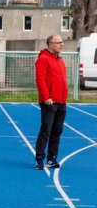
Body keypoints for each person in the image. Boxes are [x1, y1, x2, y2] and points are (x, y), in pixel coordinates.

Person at [34, 34, 68, 170]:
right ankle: (39, 158)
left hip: (61, 101)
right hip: (49, 102)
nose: (62, 44)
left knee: (57, 130)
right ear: (50, 44)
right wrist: (46, 96)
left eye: (62, 42)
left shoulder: (59, 60)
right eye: (58, 42)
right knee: (46, 130)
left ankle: (52, 158)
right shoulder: (43, 59)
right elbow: (40, 79)